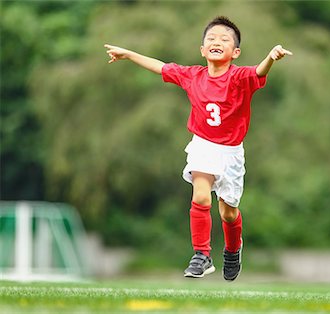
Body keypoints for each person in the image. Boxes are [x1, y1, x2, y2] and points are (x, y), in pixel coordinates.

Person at [104, 16, 292, 281]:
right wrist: (128, 54)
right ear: (202, 49)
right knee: (201, 196)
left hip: (231, 152)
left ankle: (232, 249)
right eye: (211, 39)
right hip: (202, 145)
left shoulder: (239, 77)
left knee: (228, 212)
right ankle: (202, 255)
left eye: (225, 40)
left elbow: (259, 71)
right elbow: (160, 67)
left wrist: (271, 57)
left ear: (235, 52)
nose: (217, 42)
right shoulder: (192, 76)